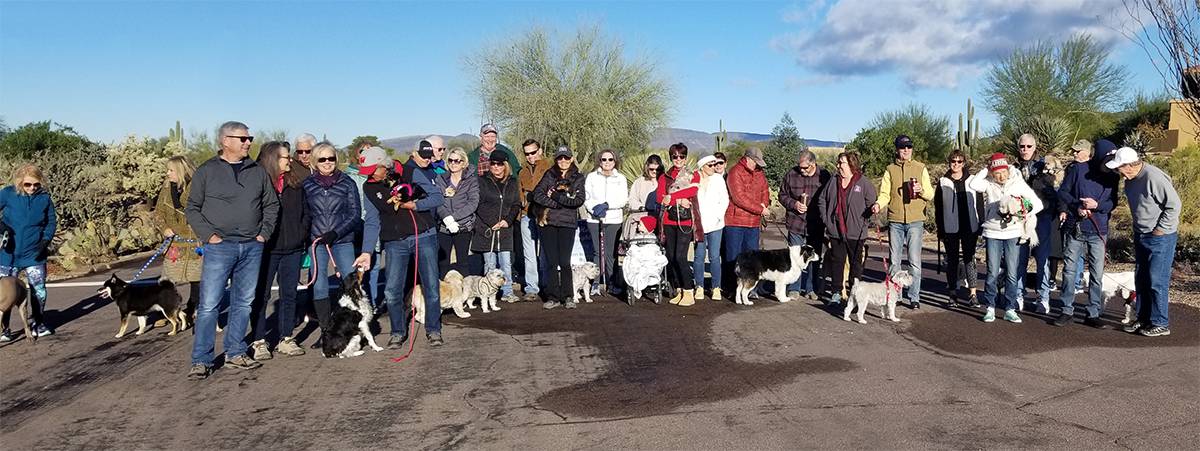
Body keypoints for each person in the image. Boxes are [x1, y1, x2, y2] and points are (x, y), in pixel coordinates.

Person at [184, 121, 280, 380]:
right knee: (209, 306)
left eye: (250, 138)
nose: (248, 142)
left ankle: (235, 352)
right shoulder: (207, 171)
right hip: (220, 246)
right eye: (243, 138)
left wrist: (263, 234)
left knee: (243, 302)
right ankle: (201, 360)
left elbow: (271, 205)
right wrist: (209, 236)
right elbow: (192, 207)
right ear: (225, 141)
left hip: (252, 245)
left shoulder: (257, 171)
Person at [359, 140, 445, 347]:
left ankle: (434, 330)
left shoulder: (409, 172)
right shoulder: (369, 187)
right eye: (367, 172)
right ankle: (398, 331)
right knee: (391, 290)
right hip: (394, 242)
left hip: (423, 235)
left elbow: (437, 198)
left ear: (384, 166)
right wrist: (366, 251)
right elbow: (372, 220)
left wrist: (415, 205)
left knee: (431, 286)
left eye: (373, 171)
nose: (371, 176)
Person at [1107, 147, 1181, 337]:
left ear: (1130, 165)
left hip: (1160, 237)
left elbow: (1174, 206)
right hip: (1141, 234)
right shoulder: (1130, 180)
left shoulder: (1154, 177)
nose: (1118, 172)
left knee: (1157, 280)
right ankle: (1144, 319)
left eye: (1119, 168)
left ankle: (1160, 322)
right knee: (1142, 279)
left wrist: (1160, 230)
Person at [249, 141, 310, 358]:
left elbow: (305, 211)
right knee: (261, 296)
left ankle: (286, 337)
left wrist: (301, 234)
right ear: (274, 159)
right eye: (286, 157)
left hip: (292, 247)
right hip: (266, 249)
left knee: (289, 294)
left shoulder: (295, 183)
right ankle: (258, 341)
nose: (290, 160)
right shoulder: (257, 183)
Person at [301, 141, 363, 349]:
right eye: (322, 159)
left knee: (352, 284)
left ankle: (357, 329)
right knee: (319, 286)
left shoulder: (347, 183)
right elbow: (305, 214)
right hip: (317, 242)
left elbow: (355, 214)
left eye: (331, 158)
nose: (327, 163)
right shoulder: (307, 184)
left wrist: (336, 233)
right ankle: (327, 332)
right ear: (314, 161)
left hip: (342, 240)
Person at [969, 153, 1043, 324]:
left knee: (1011, 272)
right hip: (992, 232)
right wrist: (986, 170)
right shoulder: (988, 182)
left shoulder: (1018, 182)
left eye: (1003, 171)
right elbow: (973, 184)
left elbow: (1037, 204)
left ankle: (1010, 308)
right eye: (996, 173)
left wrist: (1021, 211)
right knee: (992, 271)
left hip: (1013, 233)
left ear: (1008, 170)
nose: (1000, 176)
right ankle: (990, 307)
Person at [1053, 139, 1120, 328]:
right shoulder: (1079, 169)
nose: (1109, 165)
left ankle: (1093, 313)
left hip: (1099, 230)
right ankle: (1066, 310)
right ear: (1098, 157)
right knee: (1069, 270)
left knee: (1097, 274)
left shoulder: (1114, 176)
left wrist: (1097, 206)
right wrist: (1077, 205)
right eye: (1107, 161)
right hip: (1076, 226)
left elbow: (1113, 203)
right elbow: (1063, 192)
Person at [872, 135, 935, 309]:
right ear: (897, 150)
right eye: (902, 147)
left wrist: (921, 191)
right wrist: (878, 204)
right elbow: (885, 194)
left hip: (915, 220)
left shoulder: (920, 168)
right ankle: (895, 295)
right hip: (895, 220)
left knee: (914, 260)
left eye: (908, 147)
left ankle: (914, 296)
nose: (906, 150)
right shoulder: (890, 169)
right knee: (895, 260)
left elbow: (930, 194)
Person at [0, 164, 57, 341]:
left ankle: (38, 324)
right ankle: (4, 329)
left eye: (36, 184)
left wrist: (46, 240)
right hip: (8, 253)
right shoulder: (8, 194)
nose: (32, 188)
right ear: (19, 182)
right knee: (5, 292)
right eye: (28, 185)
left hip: (34, 253)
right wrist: (1, 226)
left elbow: (51, 222)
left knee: (38, 289)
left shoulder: (45, 198)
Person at [530, 145, 586, 309]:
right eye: (560, 158)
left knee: (565, 261)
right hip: (548, 223)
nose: (563, 161)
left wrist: (554, 195)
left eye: (566, 158)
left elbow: (578, 201)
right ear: (556, 159)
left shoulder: (578, 178)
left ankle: (568, 295)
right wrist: (559, 203)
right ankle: (553, 296)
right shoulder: (549, 174)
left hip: (568, 224)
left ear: (571, 159)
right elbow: (537, 195)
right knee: (552, 261)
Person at [819, 152, 877, 306]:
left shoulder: (863, 183)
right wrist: (827, 220)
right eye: (838, 162)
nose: (838, 166)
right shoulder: (833, 181)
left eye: (841, 162)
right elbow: (822, 200)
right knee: (837, 262)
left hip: (856, 232)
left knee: (855, 263)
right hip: (836, 230)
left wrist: (868, 215)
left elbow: (872, 203)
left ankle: (855, 293)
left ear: (851, 164)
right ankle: (836, 293)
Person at [153, 156, 203, 328]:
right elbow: (158, 213)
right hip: (174, 242)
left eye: (171, 170)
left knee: (197, 279)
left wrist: (202, 234)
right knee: (167, 279)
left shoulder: (198, 188)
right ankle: (166, 312)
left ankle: (192, 310)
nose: (167, 173)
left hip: (195, 241)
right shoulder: (166, 189)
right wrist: (164, 228)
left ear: (181, 171)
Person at [1012, 134, 1057, 313]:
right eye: (1022, 146)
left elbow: (1053, 189)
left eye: (1029, 146)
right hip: (1021, 219)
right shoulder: (1013, 169)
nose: (1025, 150)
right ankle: (1018, 295)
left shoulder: (1044, 166)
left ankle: (1043, 297)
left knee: (1042, 260)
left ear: (1035, 147)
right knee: (1020, 260)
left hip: (1042, 217)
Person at [933, 150, 983, 307]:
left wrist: (981, 224)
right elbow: (938, 208)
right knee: (952, 260)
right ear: (949, 163)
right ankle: (953, 293)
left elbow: (980, 204)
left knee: (970, 259)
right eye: (953, 161)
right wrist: (940, 230)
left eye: (959, 161)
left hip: (970, 226)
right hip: (950, 226)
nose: (956, 164)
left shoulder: (973, 181)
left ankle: (973, 294)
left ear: (964, 163)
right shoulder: (943, 182)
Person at [779, 150, 830, 301]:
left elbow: (830, 197)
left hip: (816, 224)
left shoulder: (825, 176)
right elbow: (782, 195)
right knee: (795, 257)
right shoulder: (791, 174)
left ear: (813, 164)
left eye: (805, 168)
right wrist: (794, 204)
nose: (801, 170)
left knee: (814, 257)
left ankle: (811, 288)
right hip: (795, 222)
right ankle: (794, 288)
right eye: (800, 167)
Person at [472, 150, 522, 303]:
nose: (495, 167)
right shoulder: (482, 181)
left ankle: (507, 292)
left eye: (499, 164)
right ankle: (487, 293)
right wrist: (492, 221)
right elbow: (479, 204)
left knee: (506, 262)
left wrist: (507, 220)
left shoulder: (512, 182)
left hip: (506, 229)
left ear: (505, 165)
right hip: (487, 230)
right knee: (490, 263)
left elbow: (516, 204)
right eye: (492, 163)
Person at [724, 147, 771, 297]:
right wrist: (760, 209)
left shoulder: (759, 173)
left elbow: (765, 190)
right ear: (748, 159)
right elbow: (739, 198)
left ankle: (750, 289)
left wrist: (764, 204)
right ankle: (732, 288)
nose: (757, 166)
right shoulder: (735, 172)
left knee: (753, 259)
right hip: (735, 222)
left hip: (753, 223)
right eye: (755, 162)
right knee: (734, 257)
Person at [658, 143, 699, 306]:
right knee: (672, 257)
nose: (678, 159)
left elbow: (692, 191)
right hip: (668, 220)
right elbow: (661, 197)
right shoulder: (664, 177)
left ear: (686, 157)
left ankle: (689, 291)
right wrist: (680, 200)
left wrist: (674, 198)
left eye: (681, 156)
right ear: (671, 158)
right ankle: (680, 289)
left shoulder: (692, 174)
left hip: (685, 221)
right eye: (675, 156)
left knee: (681, 256)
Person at [584, 149, 628, 296]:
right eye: (604, 159)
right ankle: (595, 282)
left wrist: (607, 205)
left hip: (613, 219)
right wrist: (593, 208)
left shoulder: (620, 178)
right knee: (597, 252)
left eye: (610, 160)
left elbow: (623, 200)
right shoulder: (591, 177)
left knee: (611, 253)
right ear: (599, 161)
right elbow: (586, 197)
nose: (607, 162)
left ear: (615, 161)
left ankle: (612, 281)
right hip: (594, 219)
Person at [1050, 139, 1091, 296]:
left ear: (1087, 152)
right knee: (1072, 249)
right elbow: (1064, 191)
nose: (1074, 153)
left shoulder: (1092, 169)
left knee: (1082, 251)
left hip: (1090, 214)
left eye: (1078, 150)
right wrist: (1065, 209)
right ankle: (1072, 283)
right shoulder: (1071, 168)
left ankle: (1078, 281)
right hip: (1073, 213)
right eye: (1074, 150)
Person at [347, 141, 382, 309]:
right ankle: (356, 304)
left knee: (374, 268)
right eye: (362, 151)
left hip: (374, 225)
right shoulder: (349, 175)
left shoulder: (379, 174)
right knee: (358, 271)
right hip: (356, 226)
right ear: (356, 154)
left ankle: (372, 304)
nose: (366, 154)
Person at [516, 139, 551, 302]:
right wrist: (522, 204)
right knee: (529, 253)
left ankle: (545, 285)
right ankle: (531, 287)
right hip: (526, 215)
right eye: (527, 153)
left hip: (543, 214)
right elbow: (519, 193)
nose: (530, 156)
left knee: (545, 251)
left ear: (540, 151)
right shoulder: (522, 172)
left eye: (533, 152)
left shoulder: (549, 169)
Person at [435, 147, 478, 278]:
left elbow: (473, 203)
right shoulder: (440, 179)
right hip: (443, 227)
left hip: (463, 226)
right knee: (443, 263)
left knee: (462, 262)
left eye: (457, 161)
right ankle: (444, 293)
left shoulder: (471, 181)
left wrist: (453, 218)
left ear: (463, 162)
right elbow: (437, 201)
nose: (453, 163)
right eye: (450, 160)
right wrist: (447, 219)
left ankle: (463, 294)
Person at [692, 151, 728, 301]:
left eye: (715, 164)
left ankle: (716, 287)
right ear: (702, 166)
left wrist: (717, 217)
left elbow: (724, 200)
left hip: (716, 224)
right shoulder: (694, 180)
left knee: (714, 257)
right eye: (710, 164)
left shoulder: (718, 179)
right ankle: (699, 286)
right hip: (699, 225)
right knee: (699, 256)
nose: (714, 167)